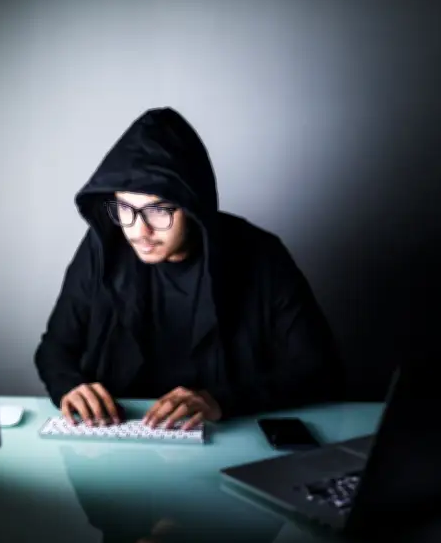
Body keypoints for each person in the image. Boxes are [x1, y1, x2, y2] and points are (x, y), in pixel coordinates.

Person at [34, 107, 344, 429]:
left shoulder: (262, 256)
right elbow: (55, 347)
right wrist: (69, 385)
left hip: (225, 433)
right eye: (125, 209)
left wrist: (224, 401)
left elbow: (320, 370)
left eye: (158, 211)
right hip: (121, 430)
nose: (139, 231)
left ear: (193, 204)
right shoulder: (103, 247)